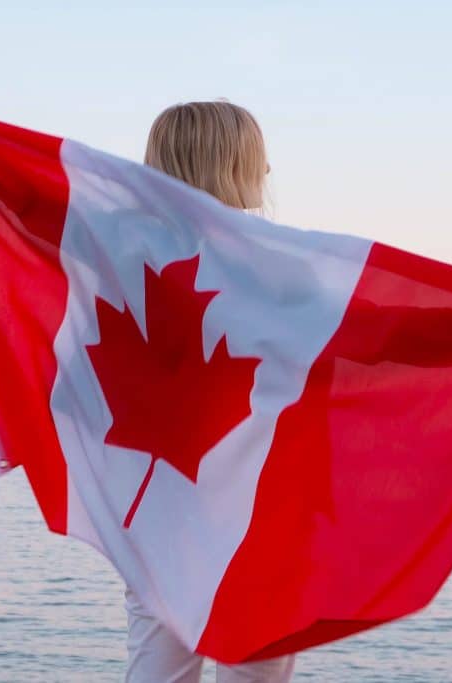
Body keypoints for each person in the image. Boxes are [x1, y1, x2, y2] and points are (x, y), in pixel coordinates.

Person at [121, 101, 295, 683]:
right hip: (258, 498)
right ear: (228, 163)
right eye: (258, 157)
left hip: (158, 501)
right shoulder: (277, 263)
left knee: (158, 668)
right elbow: (366, 335)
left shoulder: (116, 262)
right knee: (257, 669)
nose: (267, 172)